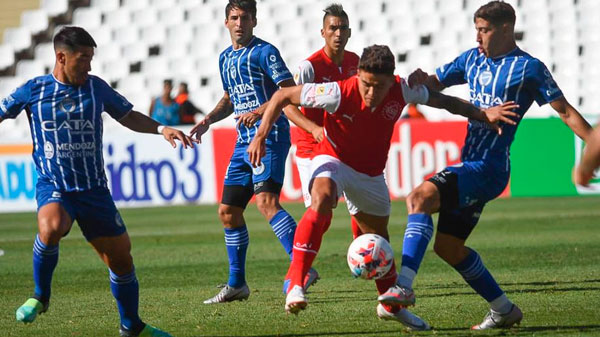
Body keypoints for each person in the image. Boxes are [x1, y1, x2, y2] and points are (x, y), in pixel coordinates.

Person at [247, 45, 518, 330]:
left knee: (378, 239)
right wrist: (261, 135)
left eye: (379, 86)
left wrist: (482, 114)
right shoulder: (338, 91)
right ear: (358, 76)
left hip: (370, 175)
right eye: (366, 84)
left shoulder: (402, 90)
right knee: (322, 198)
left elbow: (444, 102)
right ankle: (296, 285)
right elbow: (281, 95)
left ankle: (391, 307)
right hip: (333, 158)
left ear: (392, 79)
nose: (371, 92)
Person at [380, 1, 592, 330]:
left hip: (489, 166)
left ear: (506, 29)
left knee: (419, 197)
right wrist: (423, 79)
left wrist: (594, 144)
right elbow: (436, 82)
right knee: (449, 247)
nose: (478, 37)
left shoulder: (528, 68)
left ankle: (403, 287)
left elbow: (564, 111)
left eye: (484, 30)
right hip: (472, 164)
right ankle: (503, 308)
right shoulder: (471, 59)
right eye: (476, 30)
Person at [1, 26, 195, 337]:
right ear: (61, 57)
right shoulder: (33, 90)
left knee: (121, 259)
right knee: (51, 226)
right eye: (84, 59)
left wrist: (162, 129)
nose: (90, 66)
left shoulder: (96, 88)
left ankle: (131, 325)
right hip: (56, 185)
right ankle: (40, 295)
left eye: (92, 59)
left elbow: (128, 115)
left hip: (94, 191)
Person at [190, 0, 318, 304]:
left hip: (270, 136)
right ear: (226, 23)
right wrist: (208, 119)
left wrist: (262, 110)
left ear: (254, 21)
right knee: (228, 211)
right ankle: (237, 284)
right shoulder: (224, 58)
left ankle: (303, 268)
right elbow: (229, 99)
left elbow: (289, 94)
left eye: (244, 17)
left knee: (266, 201)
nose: (239, 23)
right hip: (241, 143)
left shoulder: (266, 52)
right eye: (233, 18)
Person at [291, 4, 363, 244]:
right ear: (323, 32)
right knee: (322, 210)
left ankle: (364, 255)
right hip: (312, 148)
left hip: (345, 147)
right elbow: (286, 104)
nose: (338, 33)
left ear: (350, 32)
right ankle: (299, 260)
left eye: (343, 28)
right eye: (333, 28)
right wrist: (313, 129)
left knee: (361, 206)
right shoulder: (309, 67)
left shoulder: (356, 63)